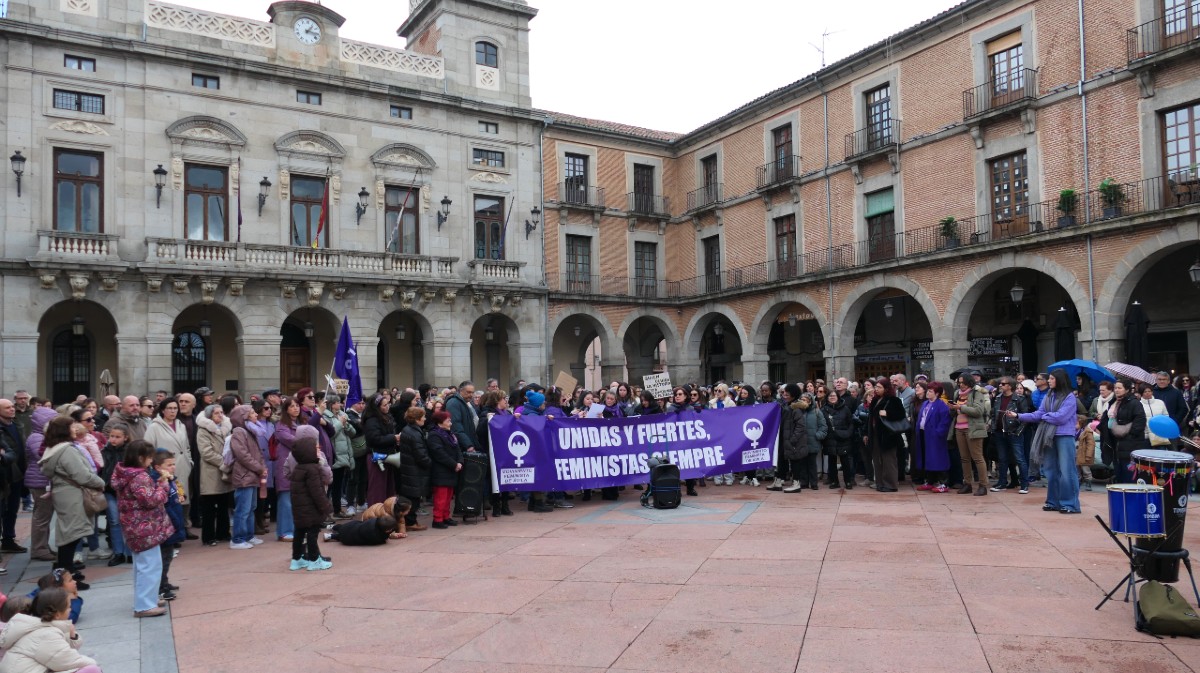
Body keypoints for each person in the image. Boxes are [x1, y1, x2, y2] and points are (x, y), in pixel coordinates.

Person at [37, 417, 103, 587]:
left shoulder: (53, 448)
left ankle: (68, 570)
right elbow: (81, 475)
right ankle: (66, 577)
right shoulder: (67, 450)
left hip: (64, 493)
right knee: (71, 536)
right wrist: (100, 483)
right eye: (72, 427)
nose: (75, 429)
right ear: (64, 430)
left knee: (69, 533)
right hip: (72, 494)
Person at [110, 438, 171, 618]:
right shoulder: (140, 476)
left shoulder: (123, 472)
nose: (151, 461)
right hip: (144, 525)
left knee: (142, 564)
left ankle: (146, 598)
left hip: (133, 525)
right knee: (150, 565)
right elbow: (150, 500)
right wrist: (163, 486)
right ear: (140, 457)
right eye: (149, 457)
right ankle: (144, 605)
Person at [1014, 368, 1082, 514]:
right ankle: (1053, 502)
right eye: (1049, 378)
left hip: (1064, 435)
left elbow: (1061, 417)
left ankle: (1070, 504)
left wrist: (1046, 416)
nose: (1049, 381)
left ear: (1059, 380)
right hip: (1049, 436)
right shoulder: (1049, 395)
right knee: (1051, 470)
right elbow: (1038, 413)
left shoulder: (1069, 397)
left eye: (1051, 379)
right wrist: (1018, 416)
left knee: (1067, 470)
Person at [0, 588, 102, 672]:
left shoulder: (43, 627)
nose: (71, 609)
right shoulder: (45, 634)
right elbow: (67, 660)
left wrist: (72, 635)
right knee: (91, 669)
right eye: (68, 607)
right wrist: (94, 664)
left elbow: (65, 650)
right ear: (57, 614)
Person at [142, 397, 194, 538]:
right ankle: (171, 532)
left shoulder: (180, 425)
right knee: (169, 501)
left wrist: (189, 461)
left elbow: (186, 446)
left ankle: (185, 527)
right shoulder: (154, 426)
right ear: (163, 410)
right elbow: (148, 447)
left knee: (183, 497)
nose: (173, 411)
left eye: (175, 408)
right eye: (170, 408)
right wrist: (155, 467)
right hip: (164, 469)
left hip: (182, 466)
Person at [287, 431, 332, 572]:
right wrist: (326, 506)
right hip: (311, 510)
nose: (319, 450)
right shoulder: (312, 469)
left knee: (299, 533)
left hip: (300, 509)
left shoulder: (298, 469)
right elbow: (317, 492)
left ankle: (297, 559)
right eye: (316, 449)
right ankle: (314, 560)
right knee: (312, 534)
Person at [228, 405, 266, 550]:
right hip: (244, 475)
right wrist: (259, 467)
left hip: (252, 475)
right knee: (243, 509)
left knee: (251, 507)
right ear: (244, 416)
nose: (256, 414)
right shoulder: (239, 431)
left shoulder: (250, 431)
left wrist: (261, 467)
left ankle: (249, 535)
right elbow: (242, 455)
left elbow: (257, 452)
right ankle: (237, 539)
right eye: (252, 413)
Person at [23, 407, 57, 562]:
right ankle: (39, 549)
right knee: (42, 516)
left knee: (44, 515)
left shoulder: (40, 435)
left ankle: (42, 546)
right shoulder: (37, 437)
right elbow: (43, 455)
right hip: (41, 481)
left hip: (42, 480)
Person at [195, 405, 232, 546]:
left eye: (222, 412)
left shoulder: (226, 428)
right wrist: (225, 463)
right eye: (217, 413)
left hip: (224, 471)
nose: (220, 415)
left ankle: (223, 533)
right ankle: (208, 536)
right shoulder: (203, 430)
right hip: (211, 471)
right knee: (209, 506)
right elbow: (206, 453)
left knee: (223, 504)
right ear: (210, 415)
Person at [149, 450, 184, 601]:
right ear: (157, 467)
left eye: (173, 464)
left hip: (173, 519)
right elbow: (164, 504)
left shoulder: (169, 480)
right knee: (163, 557)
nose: (173, 467)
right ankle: (160, 587)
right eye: (169, 465)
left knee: (168, 555)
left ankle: (165, 582)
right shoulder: (158, 481)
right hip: (166, 523)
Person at [950, 373, 991, 496]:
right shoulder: (957, 393)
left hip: (973, 429)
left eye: (963, 382)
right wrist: (952, 407)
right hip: (959, 428)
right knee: (964, 458)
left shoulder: (976, 393)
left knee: (977, 458)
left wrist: (960, 407)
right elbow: (957, 411)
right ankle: (967, 484)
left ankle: (983, 485)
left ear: (969, 382)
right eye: (959, 382)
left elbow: (978, 411)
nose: (960, 385)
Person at [990, 377, 1032, 494]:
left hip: (1013, 432)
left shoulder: (1019, 399)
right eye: (1000, 384)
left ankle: (1024, 484)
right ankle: (1002, 482)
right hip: (999, 432)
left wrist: (1018, 431)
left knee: (1020, 459)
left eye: (1003, 384)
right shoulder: (997, 398)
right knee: (1002, 459)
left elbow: (1025, 417)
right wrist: (994, 427)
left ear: (1010, 386)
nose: (1000, 386)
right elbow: (994, 414)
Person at [474, 391, 512, 516]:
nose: (506, 401)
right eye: (503, 399)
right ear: (497, 401)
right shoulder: (486, 413)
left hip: (507, 451)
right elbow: (480, 432)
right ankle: (496, 505)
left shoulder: (508, 413)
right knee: (494, 480)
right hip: (493, 452)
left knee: (506, 478)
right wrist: (487, 420)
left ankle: (505, 505)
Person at [98, 424, 131, 566]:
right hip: (110, 490)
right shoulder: (104, 451)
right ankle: (118, 552)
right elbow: (101, 468)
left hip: (127, 491)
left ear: (125, 438)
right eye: (112, 436)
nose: (113, 439)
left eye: (118, 437)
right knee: (114, 521)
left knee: (128, 521)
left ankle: (130, 552)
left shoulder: (130, 452)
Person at [361, 394, 401, 506]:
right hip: (377, 457)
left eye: (388, 404)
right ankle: (375, 516)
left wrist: (395, 440)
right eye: (384, 405)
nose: (387, 407)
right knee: (377, 489)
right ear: (376, 407)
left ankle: (387, 514)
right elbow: (374, 439)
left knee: (389, 488)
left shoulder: (386, 417)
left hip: (387, 456)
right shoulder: (371, 420)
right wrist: (394, 438)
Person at [867, 378, 905, 492]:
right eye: (876, 387)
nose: (876, 389)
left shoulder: (894, 400)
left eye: (879, 387)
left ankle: (891, 485)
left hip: (888, 436)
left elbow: (901, 415)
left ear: (886, 389)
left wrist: (888, 413)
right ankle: (880, 483)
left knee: (889, 461)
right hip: (875, 434)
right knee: (877, 460)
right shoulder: (875, 400)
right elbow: (871, 418)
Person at [426, 411, 462, 529]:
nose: (450, 423)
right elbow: (439, 453)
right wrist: (453, 464)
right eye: (448, 421)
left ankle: (446, 517)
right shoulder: (434, 435)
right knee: (440, 497)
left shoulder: (450, 434)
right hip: (441, 470)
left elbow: (457, 449)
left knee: (448, 496)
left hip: (451, 470)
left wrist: (460, 462)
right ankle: (437, 519)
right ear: (440, 422)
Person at [1108, 378, 1149, 484]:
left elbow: (1140, 422)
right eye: (1115, 388)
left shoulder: (1134, 403)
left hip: (1131, 445)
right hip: (1118, 445)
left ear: (1126, 389)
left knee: (1129, 477)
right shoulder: (1115, 403)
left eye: (1119, 388)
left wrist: (1129, 435)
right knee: (1120, 476)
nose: (1116, 390)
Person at [0, 399, 27, 557]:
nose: (12, 409)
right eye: (7, 407)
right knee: (3, 509)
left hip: (17, 473)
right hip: (4, 475)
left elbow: (11, 452)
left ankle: (9, 539)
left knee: (13, 509)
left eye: (12, 406)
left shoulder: (16, 424)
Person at [397, 407, 432, 529]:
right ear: (417, 419)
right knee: (414, 498)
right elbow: (420, 454)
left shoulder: (408, 430)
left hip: (409, 468)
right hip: (415, 470)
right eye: (423, 417)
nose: (425, 419)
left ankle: (409, 521)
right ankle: (410, 522)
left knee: (410, 496)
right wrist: (429, 463)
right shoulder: (415, 433)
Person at [914, 383, 952, 492]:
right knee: (927, 458)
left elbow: (945, 422)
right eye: (928, 391)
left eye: (930, 391)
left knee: (938, 458)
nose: (927, 393)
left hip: (935, 437)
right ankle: (929, 481)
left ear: (937, 393)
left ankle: (943, 483)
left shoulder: (941, 405)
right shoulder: (925, 403)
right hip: (923, 434)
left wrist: (938, 433)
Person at [321, 395, 354, 520]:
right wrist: (340, 423)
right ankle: (325, 513)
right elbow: (331, 434)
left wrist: (346, 425)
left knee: (338, 486)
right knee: (328, 487)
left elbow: (353, 433)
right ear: (332, 404)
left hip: (343, 455)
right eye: (338, 402)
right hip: (333, 455)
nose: (340, 405)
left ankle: (337, 509)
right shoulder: (325, 416)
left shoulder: (342, 414)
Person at [822, 390, 854, 489]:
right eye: (830, 396)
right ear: (827, 398)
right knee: (831, 461)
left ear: (838, 397)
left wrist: (848, 433)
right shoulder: (823, 410)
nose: (832, 397)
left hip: (843, 438)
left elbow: (851, 423)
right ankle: (834, 481)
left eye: (834, 395)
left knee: (845, 461)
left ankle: (848, 481)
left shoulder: (845, 409)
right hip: (830, 438)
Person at [1153, 371, 1189, 443]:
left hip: (1171, 426)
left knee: (1172, 450)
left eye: (1164, 379)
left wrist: (1175, 420)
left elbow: (1183, 409)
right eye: (1159, 379)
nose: (1162, 381)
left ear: (1168, 381)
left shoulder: (1176, 392)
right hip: (1155, 426)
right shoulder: (1151, 392)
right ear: (1156, 380)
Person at [326, 515, 398, 546]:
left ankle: (332, 527)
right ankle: (331, 536)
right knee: (345, 536)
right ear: (388, 530)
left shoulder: (374, 520)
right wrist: (388, 536)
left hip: (348, 526)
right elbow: (382, 540)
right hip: (347, 539)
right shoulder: (377, 537)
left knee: (343, 528)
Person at [1077, 417, 1097, 491]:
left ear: (1081, 423)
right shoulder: (1075, 431)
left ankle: (1088, 483)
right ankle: (1078, 481)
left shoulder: (1087, 432)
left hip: (1084, 454)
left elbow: (1091, 444)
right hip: (1076, 454)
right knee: (1077, 470)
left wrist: (1088, 455)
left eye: (1076, 423)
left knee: (1086, 470)